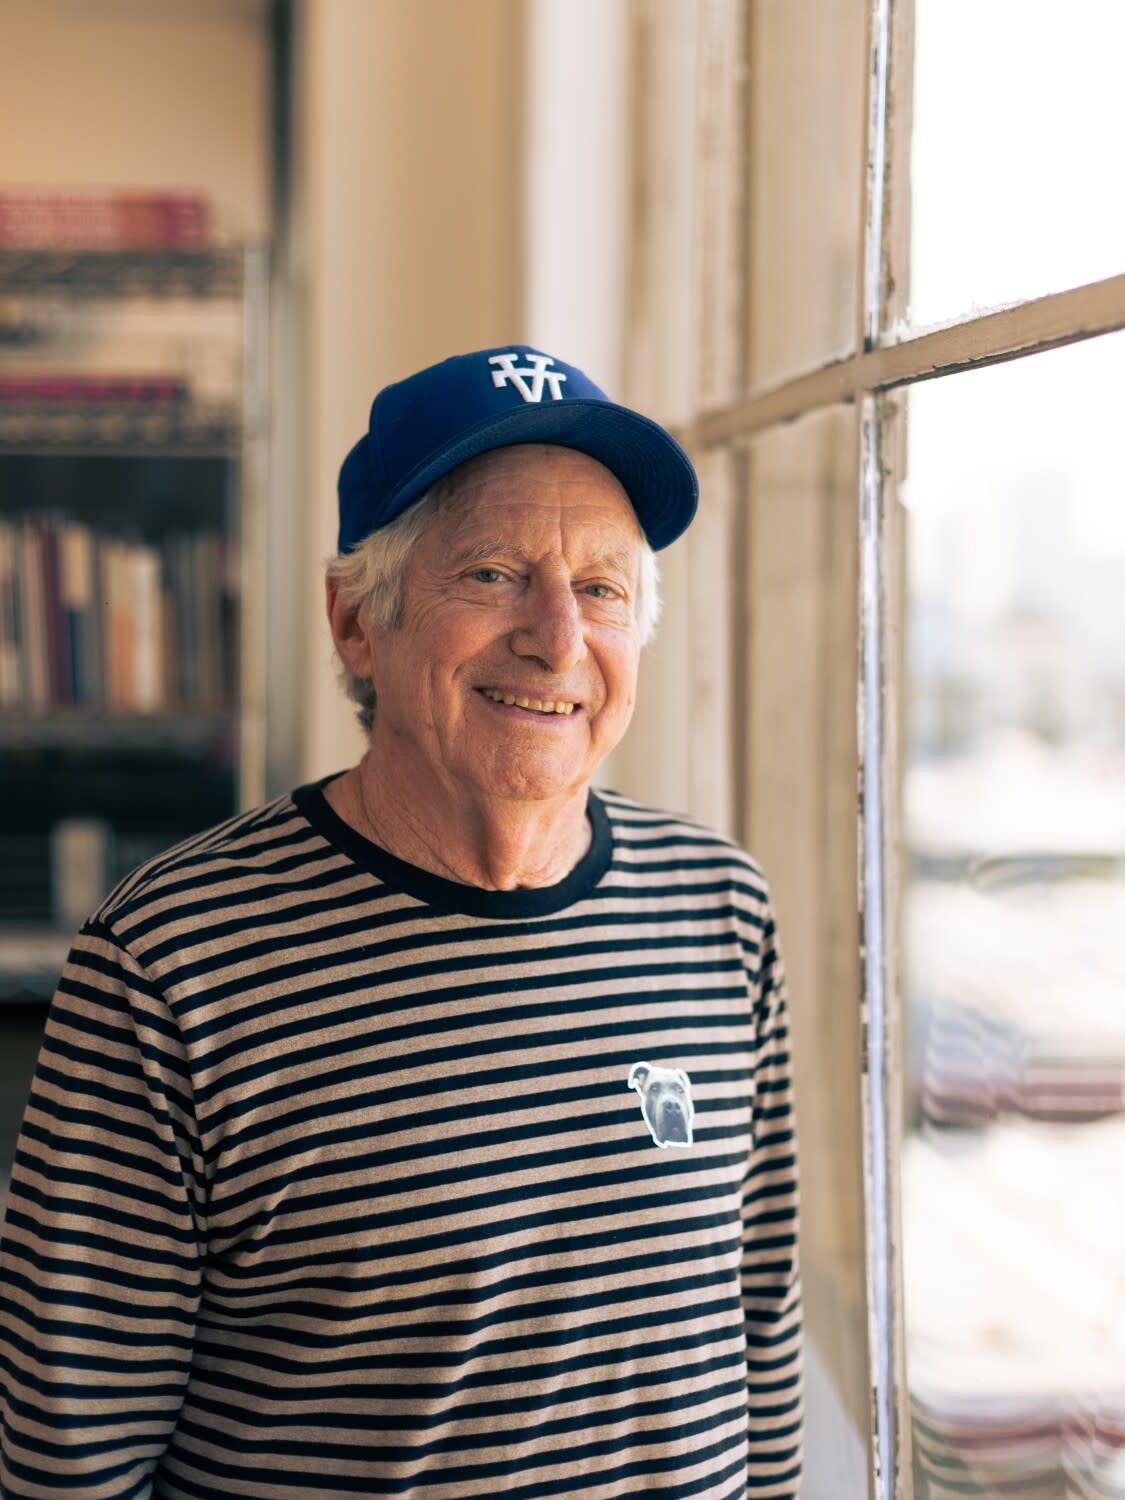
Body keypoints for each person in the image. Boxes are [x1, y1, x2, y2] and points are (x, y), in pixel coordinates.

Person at [0, 345, 802, 1498]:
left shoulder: (723, 906)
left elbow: (761, 1331)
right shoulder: (169, 963)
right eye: (490, 573)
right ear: (356, 621)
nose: (557, 637)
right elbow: (71, 1460)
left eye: (603, 588)